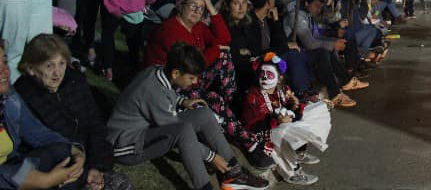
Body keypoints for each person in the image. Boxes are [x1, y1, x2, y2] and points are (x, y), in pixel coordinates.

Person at [107, 43, 269, 190]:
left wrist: (182, 101)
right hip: (126, 145)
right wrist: (210, 156)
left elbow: (164, 97)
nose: (195, 82)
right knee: (183, 130)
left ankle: (234, 173)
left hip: (143, 129)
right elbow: (177, 130)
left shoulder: (158, 71)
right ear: (176, 73)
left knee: (203, 113)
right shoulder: (154, 90)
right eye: (191, 78)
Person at [14, 35, 132, 190]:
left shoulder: (75, 81)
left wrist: (95, 167)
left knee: (121, 184)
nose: (57, 73)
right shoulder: (23, 95)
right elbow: (35, 145)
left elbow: (95, 125)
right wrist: (79, 170)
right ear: (31, 69)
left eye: (61, 64)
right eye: (49, 66)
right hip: (58, 169)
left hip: (89, 160)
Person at [144, 0, 255, 151]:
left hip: (190, 80)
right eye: (193, 6)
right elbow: (191, 65)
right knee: (221, 56)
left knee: (215, 95)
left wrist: (211, 6)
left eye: (201, 8)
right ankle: (227, 134)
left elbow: (225, 39)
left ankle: (232, 115)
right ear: (181, 6)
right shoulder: (170, 29)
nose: (197, 11)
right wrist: (216, 49)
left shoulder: (197, 27)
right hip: (169, 88)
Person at [0, 41, 89, 190]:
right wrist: (44, 181)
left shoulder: (8, 97)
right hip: (7, 177)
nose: (4, 71)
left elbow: (37, 131)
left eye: (4, 61)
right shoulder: (27, 89)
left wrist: (75, 151)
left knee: (64, 156)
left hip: (12, 169)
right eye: (49, 65)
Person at [241, 52, 330, 186]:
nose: (264, 78)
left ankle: (299, 153)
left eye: (269, 74)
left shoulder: (282, 90)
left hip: (278, 128)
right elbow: (253, 125)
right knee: (285, 130)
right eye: (262, 74)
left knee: (315, 109)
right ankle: (291, 173)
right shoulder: (253, 96)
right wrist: (278, 120)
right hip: (262, 138)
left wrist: (295, 106)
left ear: (279, 78)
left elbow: (295, 112)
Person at [284, 0, 365, 108]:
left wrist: (332, 42)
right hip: (293, 54)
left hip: (301, 50)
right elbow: (310, 43)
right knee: (323, 52)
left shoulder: (307, 15)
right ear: (306, 3)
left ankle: (346, 81)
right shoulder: (296, 16)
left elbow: (316, 36)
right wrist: (332, 45)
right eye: (316, 6)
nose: (318, 10)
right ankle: (335, 94)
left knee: (329, 47)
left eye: (320, 7)